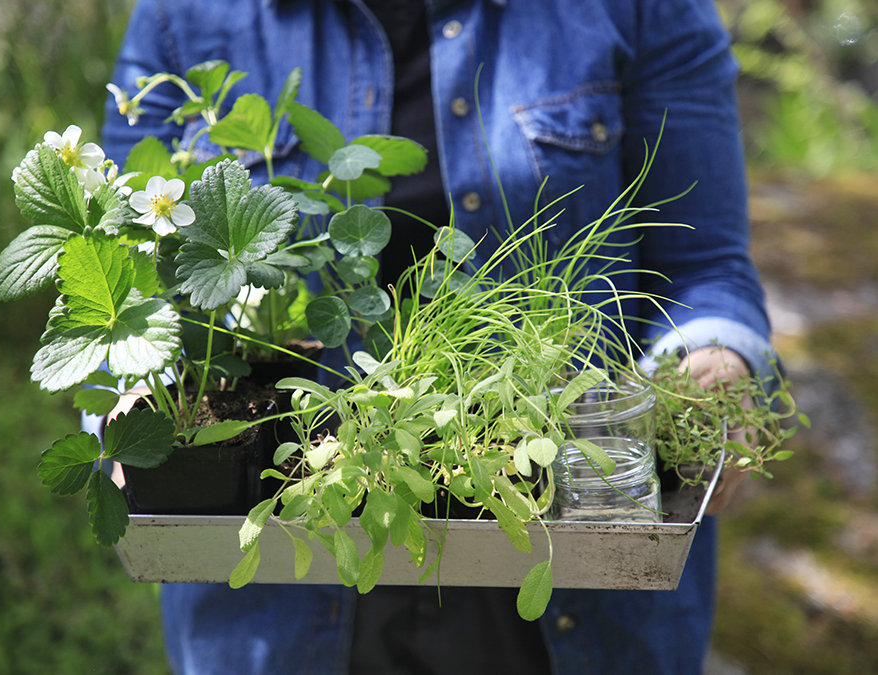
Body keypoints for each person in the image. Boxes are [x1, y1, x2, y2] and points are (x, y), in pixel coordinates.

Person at [102, 0, 773, 673]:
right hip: (288, 576)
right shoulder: (184, 17)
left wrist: (712, 358)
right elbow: (134, 278)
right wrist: (137, 402)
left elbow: (704, 262)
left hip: (559, 535)